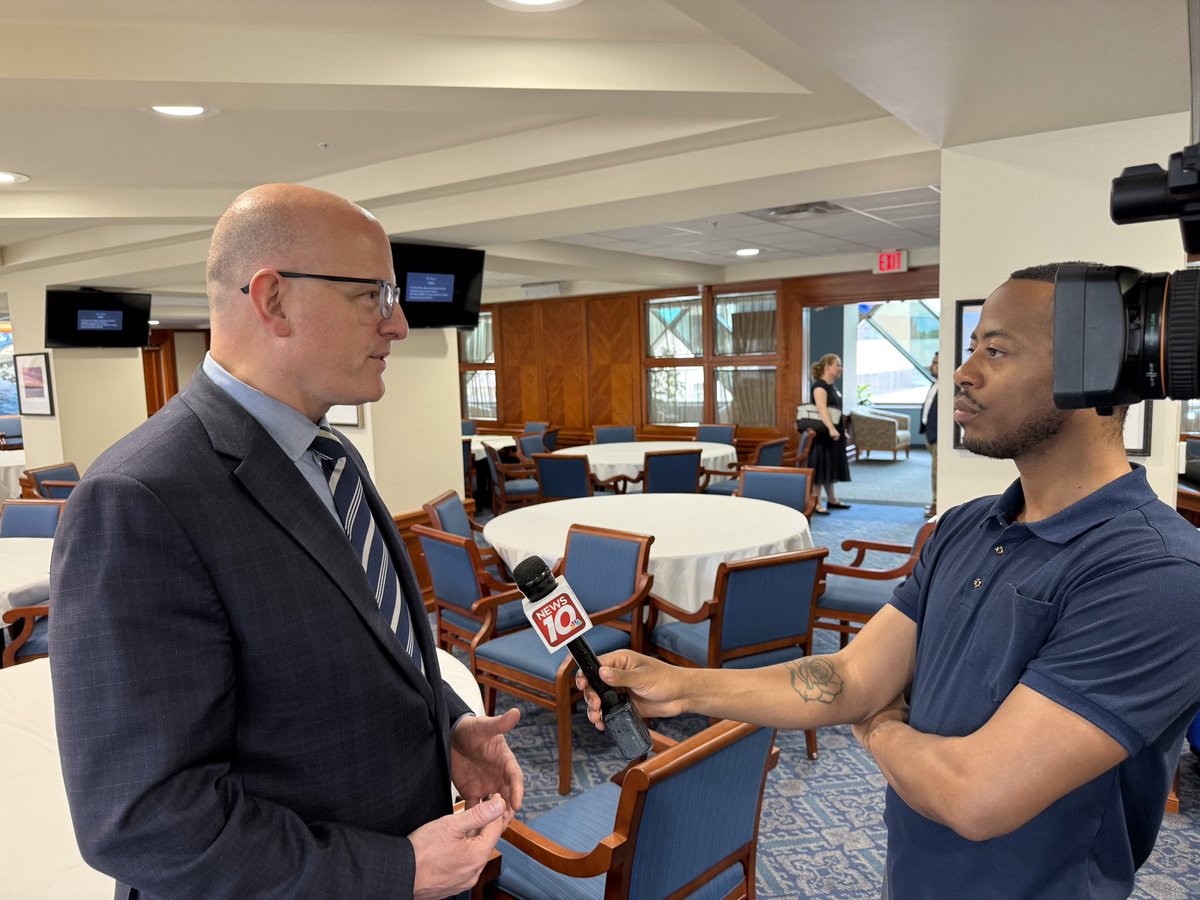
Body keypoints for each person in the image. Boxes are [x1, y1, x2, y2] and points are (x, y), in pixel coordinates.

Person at [579, 264, 1200, 898]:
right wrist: (680, 686)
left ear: (1090, 370)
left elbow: (974, 793)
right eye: (970, 349)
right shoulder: (966, 528)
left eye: (996, 350)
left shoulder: (1158, 574)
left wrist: (880, 730)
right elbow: (848, 678)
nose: (962, 373)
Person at [50, 184, 523, 900]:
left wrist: (447, 725)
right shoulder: (140, 499)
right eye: (374, 295)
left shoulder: (332, 456)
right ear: (273, 300)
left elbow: (361, 652)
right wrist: (393, 870)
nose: (398, 325)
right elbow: (144, 820)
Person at [807, 353, 851, 514]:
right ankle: (816, 502)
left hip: (834, 433)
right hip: (823, 435)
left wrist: (842, 430)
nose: (840, 368)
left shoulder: (832, 387)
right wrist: (831, 429)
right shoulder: (820, 386)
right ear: (827, 367)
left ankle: (832, 499)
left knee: (829, 467)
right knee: (820, 468)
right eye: (837, 364)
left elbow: (836, 411)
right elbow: (821, 409)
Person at [919, 351, 939, 516]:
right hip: (929, 433)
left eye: (935, 363)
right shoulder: (935, 384)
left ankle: (937, 504)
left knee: (937, 471)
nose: (932, 366)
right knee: (934, 470)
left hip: (939, 436)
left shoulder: (948, 387)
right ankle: (935, 502)